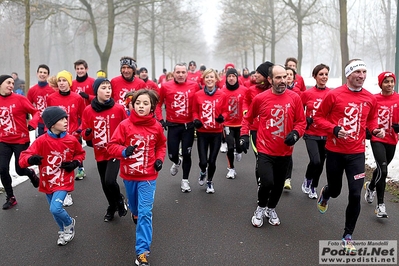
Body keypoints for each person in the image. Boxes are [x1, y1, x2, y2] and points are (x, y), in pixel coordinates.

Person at [313, 59, 384, 255]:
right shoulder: (333, 95)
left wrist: (374, 129)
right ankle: (326, 193)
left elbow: (371, 119)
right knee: (336, 191)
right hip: (335, 151)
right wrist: (334, 129)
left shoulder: (370, 98)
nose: (361, 76)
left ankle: (347, 236)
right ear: (348, 74)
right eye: (357, 72)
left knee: (354, 194)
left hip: (356, 154)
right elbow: (318, 118)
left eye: (364, 72)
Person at [241, 65, 306, 228]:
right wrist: (243, 135)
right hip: (265, 150)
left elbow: (301, 122)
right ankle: (260, 208)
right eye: (278, 78)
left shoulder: (295, 98)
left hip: (284, 151)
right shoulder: (260, 98)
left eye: (284, 77)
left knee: (278, 185)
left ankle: (271, 209)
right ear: (270, 80)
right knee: (267, 182)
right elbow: (247, 119)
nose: (283, 80)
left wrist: (296, 134)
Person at [107, 89, 166, 266]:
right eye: (138, 103)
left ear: (152, 107)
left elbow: (162, 146)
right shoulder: (124, 125)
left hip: (148, 176)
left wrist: (159, 160)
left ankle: (142, 252)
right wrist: (124, 151)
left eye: (145, 103)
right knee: (135, 209)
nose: (141, 106)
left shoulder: (156, 126)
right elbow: (111, 146)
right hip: (130, 176)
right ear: (132, 104)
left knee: (146, 213)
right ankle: (133, 212)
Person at [19, 106, 85, 246]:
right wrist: (31, 160)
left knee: (55, 208)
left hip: (63, 180)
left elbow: (80, 154)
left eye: (66, 118)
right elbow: (23, 158)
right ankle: (63, 230)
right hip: (47, 181)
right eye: (61, 119)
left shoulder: (71, 140)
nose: (66, 121)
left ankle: (69, 223)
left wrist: (75, 163)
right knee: (54, 212)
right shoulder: (41, 141)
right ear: (52, 123)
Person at [81, 78, 128, 222]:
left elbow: (127, 126)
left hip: (115, 150)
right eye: (104, 88)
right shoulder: (88, 110)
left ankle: (119, 200)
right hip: (100, 151)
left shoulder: (118, 108)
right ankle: (111, 206)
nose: (108, 91)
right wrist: (87, 133)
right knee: (104, 183)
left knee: (109, 180)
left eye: (109, 88)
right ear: (96, 91)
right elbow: (83, 132)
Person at [155, 63, 200, 192]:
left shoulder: (194, 85)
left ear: (187, 73)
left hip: (188, 126)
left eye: (183, 72)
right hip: (173, 126)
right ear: (173, 73)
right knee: (172, 154)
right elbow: (158, 104)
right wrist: (160, 120)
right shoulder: (165, 86)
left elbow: (199, 102)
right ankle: (176, 161)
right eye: (178, 72)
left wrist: (198, 120)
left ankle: (185, 180)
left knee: (187, 153)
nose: (180, 75)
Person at [0, 75, 40, 210]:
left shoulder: (20, 99)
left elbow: (36, 112)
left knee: (20, 169)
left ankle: (30, 174)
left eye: (12, 83)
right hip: (3, 140)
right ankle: (10, 197)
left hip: (20, 140)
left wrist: (33, 123)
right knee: (2, 168)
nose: (11, 85)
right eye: (8, 83)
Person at [47, 70, 86, 206]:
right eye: (59, 81)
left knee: (68, 165)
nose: (62, 83)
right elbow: (48, 116)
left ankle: (66, 192)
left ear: (69, 82)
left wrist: (79, 130)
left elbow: (84, 116)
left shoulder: (77, 98)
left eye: (64, 80)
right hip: (56, 136)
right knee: (58, 164)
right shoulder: (51, 98)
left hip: (72, 136)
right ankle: (62, 191)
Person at [364, 71, 399, 218]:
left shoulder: (398, 98)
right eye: (386, 82)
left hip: (392, 139)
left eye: (392, 81)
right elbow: (365, 116)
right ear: (381, 84)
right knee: (383, 170)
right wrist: (367, 130)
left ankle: (371, 186)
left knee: (380, 169)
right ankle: (381, 206)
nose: (389, 84)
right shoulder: (374, 99)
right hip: (377, 138)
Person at [192, 68, 227, 193]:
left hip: (216, 133)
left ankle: (210, 182)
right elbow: (195, 111)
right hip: (203, 132)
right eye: (207, 77)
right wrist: (196, 119)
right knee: (203, 161)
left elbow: (226, 111)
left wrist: (223, 117)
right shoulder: (198, 95)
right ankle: (202, 172)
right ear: (204, 79)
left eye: (212, 77)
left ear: (216, 79)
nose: (209, 79)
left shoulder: (222, 95)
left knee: (212, 160)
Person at [300, 64, 331, 199]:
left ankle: (314, 186)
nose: (324, 77)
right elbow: (299, 111)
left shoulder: (331, 94)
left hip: (326, 134)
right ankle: (307, 179)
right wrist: (305, 120)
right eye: (321, 74)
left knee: (321, 163)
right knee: (315, 161)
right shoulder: (307, 94)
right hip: (311, 133)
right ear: (314, 76)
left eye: (326, 74)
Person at [243, 61, 273, 185]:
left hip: (272, 130)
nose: (255, 75)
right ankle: (261, 184)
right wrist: (246, 111)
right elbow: (245, 102)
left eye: (258, 73)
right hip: (256, 129)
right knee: (260, 158)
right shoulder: (251, 90)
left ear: (266, 76)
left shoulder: (275, 90)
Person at [221, 68, 248, 179]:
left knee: (239, 146)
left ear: (237, 78)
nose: (231, 78)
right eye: (229, 76)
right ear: (226, 78)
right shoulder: (222, 91)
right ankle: (231, 169)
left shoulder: (244, 90)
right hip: (227, 124)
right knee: (230, 147)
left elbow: (248, 104)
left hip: (241, 124)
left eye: (233, 76)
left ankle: (239, 150)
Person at [283, 66, 302, 190]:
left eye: (291, 74)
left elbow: (302, 110)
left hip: (291, 126)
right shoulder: (275, 90)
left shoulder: (298, 92)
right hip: (278, 126)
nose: (289, 76)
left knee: (288, 152)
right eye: (286, 74)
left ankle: (287, 179)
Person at [27, 64, 56, 137]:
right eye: (40, 72)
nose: (42, 74)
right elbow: (27, 106)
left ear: (48, 75)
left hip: (51, 122)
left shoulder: (53, 89)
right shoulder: (32, 90)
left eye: (45, 73)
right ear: (37, 74)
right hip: (39, 122)